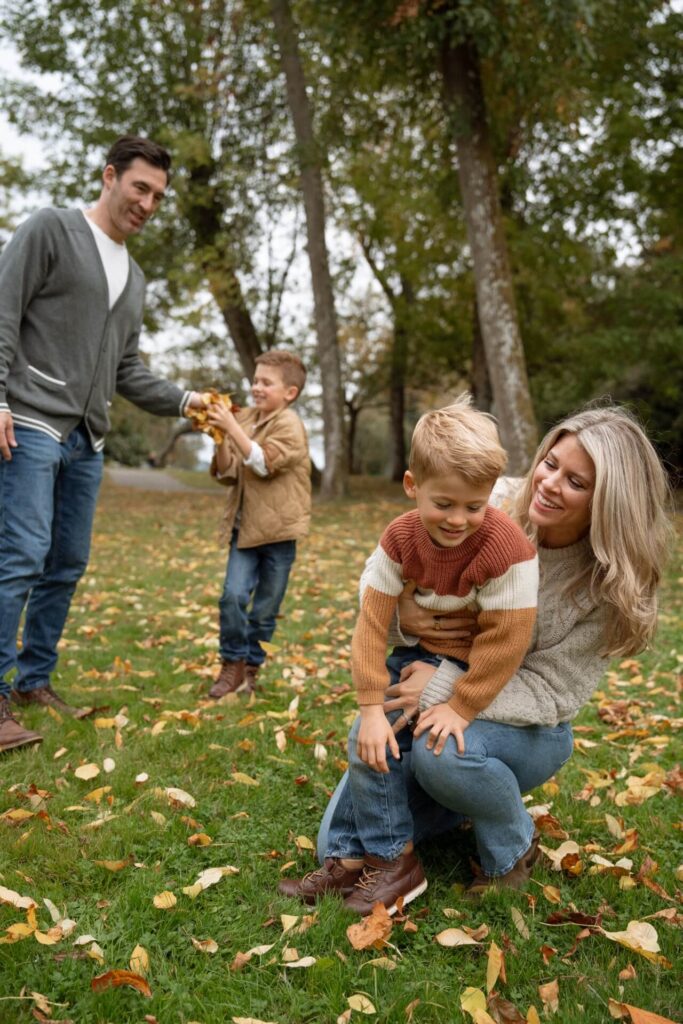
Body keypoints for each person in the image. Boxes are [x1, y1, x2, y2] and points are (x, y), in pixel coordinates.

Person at [307, 403, 671, 906]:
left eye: (577, 482)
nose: (548, 484)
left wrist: (442, 692)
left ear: (609, 500)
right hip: (438, 675)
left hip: (528, 727)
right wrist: (406, 619)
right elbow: (384, 586)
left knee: (441, 754)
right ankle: (446, 810)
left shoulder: (605, 587)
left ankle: (511, 844)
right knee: (338, 839)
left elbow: (552, 692)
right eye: (550, 463)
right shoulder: (485, 496)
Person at [280, 397, 539, 915]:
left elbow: (505, 642)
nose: (458, 519)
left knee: (422, 743)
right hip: (417, 651)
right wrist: (371, 708)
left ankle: (397, 863)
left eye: (474, 505)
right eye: (443, 503)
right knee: (366, 737)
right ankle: (374, 859)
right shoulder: (400, 537)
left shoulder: (504, 548)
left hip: (471, 665)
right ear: (411, 486)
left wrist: (460, 704)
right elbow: (372, 624)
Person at [0, 134, 205, 753]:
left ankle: (34, 681)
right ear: (110, 175)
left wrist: (187, 402)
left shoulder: (135, 276)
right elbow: (3, 310)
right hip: (31, 419)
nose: (147, 203)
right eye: (140, 187)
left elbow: (127, 370)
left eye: (158, 196)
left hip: (87, 440)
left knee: (66, 563)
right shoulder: (52, 230)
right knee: (21, 556)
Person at [206, 350, 311, 698]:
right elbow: (229, 472)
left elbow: (264, 462)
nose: (256, 388)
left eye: (266, 382)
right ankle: (232, 663)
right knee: (232, 595)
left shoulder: (289, 425)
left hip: (280, 532)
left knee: (265, 608)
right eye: (254, 380)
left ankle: (251, 667)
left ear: (289, 393)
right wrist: (221, 437)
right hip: (245, 528)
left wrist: (232, 428)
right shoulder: (246, 418)